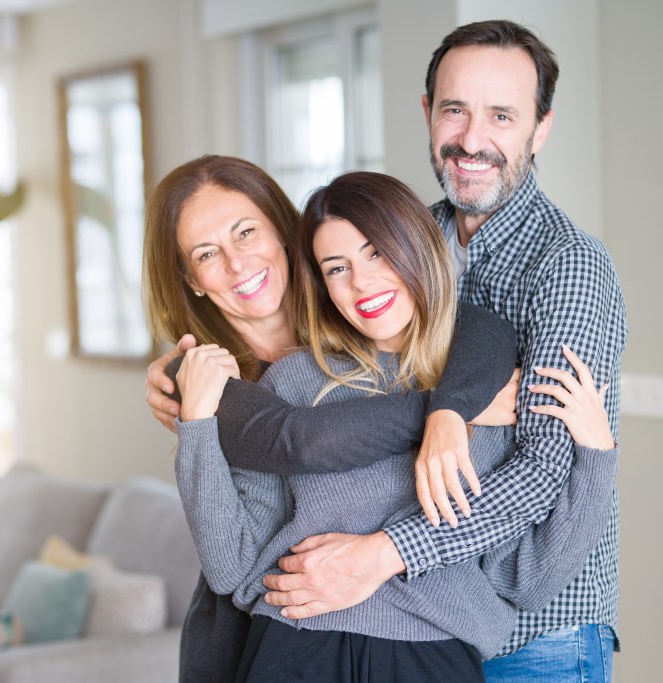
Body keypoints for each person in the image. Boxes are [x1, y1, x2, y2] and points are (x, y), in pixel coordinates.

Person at [236, 21, 629, 683]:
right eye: (455, 110)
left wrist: (384, 552)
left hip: (537, 636)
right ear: (428, 114)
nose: (473, 140)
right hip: (421, 625)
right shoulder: (401, 239)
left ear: (540, 128)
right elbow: (330, 372)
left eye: (502, 116)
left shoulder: (568, 267)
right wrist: (202, 388)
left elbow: (541, 473)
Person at [142, 157, 617, 681]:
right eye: (338, 267)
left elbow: (523, 579)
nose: (362, 281)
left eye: (377, 253)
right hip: (299, 648)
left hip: (433, 658)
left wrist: (596, 459)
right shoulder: (285, 384)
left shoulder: (480, 388)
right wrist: (198, 423)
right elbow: (243, 545)